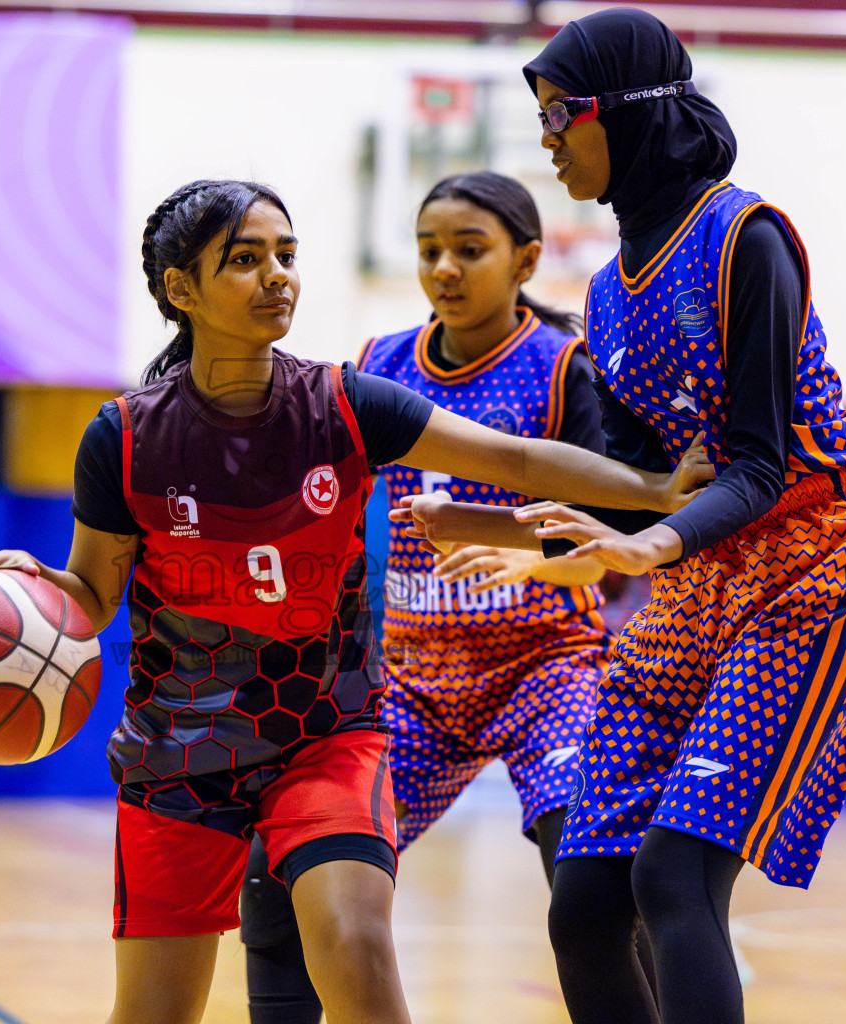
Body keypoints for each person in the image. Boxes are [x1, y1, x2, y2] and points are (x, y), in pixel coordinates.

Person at [0, 178, 708, 1024]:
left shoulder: (345, 402)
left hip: (326, 736)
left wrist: (657, 489)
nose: (277, 277)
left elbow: (515, 460)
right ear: (180, 289)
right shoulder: (123, 435)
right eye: (246, 260)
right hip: (178, 754)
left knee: (362, 950)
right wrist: (31, 584)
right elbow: (94, 592)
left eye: (286, 257)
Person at [398, 11, 846, 1024]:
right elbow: (639, 486)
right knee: (585, 903)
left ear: (623, 114)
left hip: (814, 571)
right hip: (698, 579)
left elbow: (757, 465)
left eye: (557, 115)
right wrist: (494, 530)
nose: (544, 139)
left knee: (673, 877)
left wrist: (647, 542)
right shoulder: (606, 297)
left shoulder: (745, 237)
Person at [238, 170, 649, 1024]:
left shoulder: (565, 366)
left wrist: (512, 546)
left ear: (527, 257)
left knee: (591, 878)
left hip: (548, 671)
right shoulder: (379, 365)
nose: (445, 269)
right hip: (413, 682)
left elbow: (599, 541)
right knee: (284, 872)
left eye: (470, 249)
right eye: (430, 251)